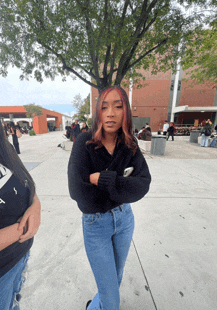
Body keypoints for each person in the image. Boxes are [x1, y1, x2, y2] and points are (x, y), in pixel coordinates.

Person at [68, 85, 151, 310]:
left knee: (115, 278)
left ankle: (93, 306)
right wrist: (121, 189)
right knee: (112, 298)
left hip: (124, 220)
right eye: (104, 107)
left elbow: (143, 185)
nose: (111, 113)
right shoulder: (84, 143)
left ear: (126, 111)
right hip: (96, 225)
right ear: (98, 112)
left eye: (118, 106)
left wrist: (102, 180)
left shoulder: (129, 145)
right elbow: (78, 191)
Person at [0, 108, 41, 309]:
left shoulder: (4, 148)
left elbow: (26, 184)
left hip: (19, 261)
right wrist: (21, 230)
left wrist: (36, 205)